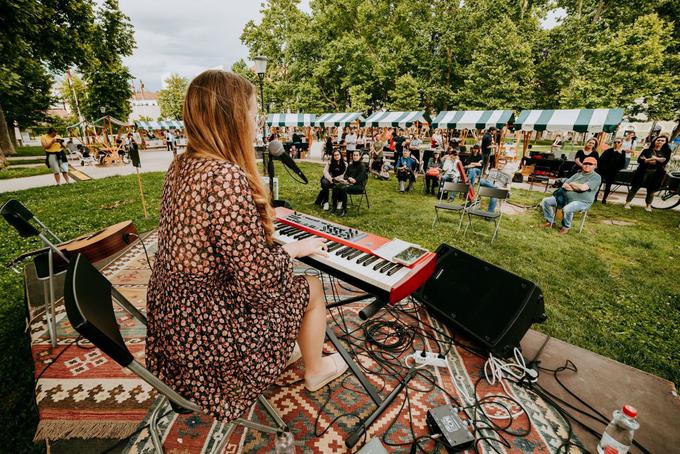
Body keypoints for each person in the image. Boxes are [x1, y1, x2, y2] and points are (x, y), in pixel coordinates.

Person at [146, 70, 348, 424]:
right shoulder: (226, 176)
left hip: (176, 319)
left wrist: (262, 217)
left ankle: (284, 347)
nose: (256, 120)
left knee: (288, 277)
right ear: (234, 117)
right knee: (310, 287)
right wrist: (292, 251)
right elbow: (260, 283)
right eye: (253, 111)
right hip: (212, 334)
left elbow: (209, 235)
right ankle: (314, 369)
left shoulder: (181, 165)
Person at [541, 156, 601, 234]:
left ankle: (566, 227)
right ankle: (550, 221)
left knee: (567, 209)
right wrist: (576, 187)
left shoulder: (596, 177)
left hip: (582, 201)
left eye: (590, 164)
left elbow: (583, 188)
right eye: (585, 163)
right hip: (565, 198)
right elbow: (564, 185)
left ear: (595, 166)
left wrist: (572, 184)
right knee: (546, 201)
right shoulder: (577, 174)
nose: (587, 165)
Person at [624, 135, 672, 211]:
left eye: (662, 140)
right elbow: (639, 160)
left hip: (656, 173)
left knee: (651, 190)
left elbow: (665, 161)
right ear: (655, 141)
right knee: (635, 187)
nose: (660, 142)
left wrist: (651, 160)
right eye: (658, 140)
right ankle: (627, 203)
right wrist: (650, 160)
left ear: (665, 142)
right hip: (643, 171)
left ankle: (648, 205)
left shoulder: (666, 152)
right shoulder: (647, 150)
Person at [331, 150, 367, 216]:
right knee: (335, 187)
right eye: (354, 155)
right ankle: (334, 207)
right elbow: (345, 176)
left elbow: (360, 178)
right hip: (349, 184)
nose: (355, 156)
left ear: (360, 156)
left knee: (343, 189)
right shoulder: (350, 165)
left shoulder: (362, 166)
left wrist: (354, 180)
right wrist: (348, 179)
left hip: (359, 186)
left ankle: (344, 209)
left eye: (357, 155)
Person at [597, 139, 626, 204]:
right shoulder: (608, 151)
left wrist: (616, 169)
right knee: (599, 184)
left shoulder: (622, 153)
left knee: (608, 186)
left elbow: (622, 164)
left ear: (621, 143)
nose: (616, 143)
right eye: (615, 142)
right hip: (603, 171)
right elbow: (601, 160)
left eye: (618, 142)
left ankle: (604, 199)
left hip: (612, 172)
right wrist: (602, 168)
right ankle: (595, 197)